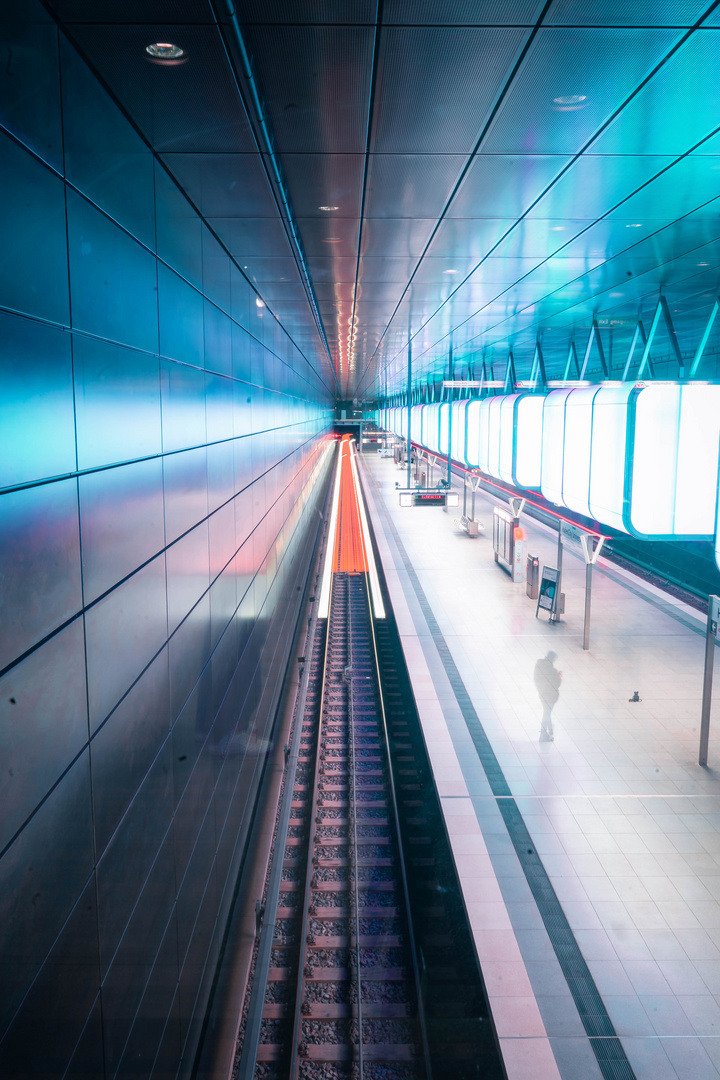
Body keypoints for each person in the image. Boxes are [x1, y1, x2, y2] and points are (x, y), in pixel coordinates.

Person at [534, 650, 561, 742]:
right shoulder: (552, 670)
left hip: (542, 694)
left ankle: (550, 732)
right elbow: (556, 683)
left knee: (547, 712)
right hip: (550, 696)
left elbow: (536, 678)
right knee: (547, 714)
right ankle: (544, 734)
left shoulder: (539, 665)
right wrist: (559, 676)